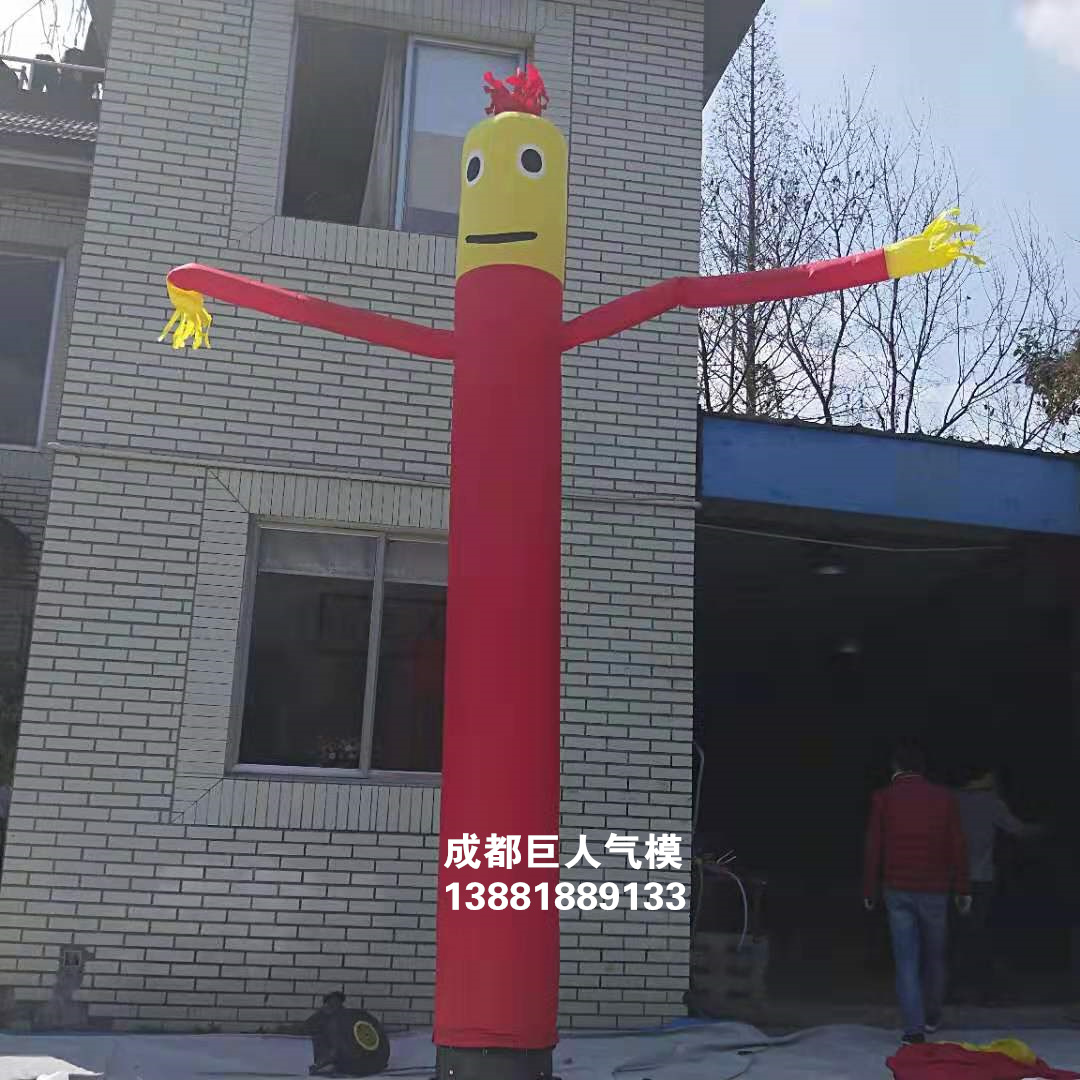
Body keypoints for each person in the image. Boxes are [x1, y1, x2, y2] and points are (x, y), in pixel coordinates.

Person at [864, 741, 971, 1046]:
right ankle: (932, 1016)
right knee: (935, 955)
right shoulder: (944, 798)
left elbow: (874, 846)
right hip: (935, 889)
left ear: (895, 767)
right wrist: (963, 887)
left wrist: (869, 888)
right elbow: (957, 844)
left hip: (897, 889)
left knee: (906, 961)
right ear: (923, 768)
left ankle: (914, 1030)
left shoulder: (883, 798)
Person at [952, 767, 1043, 1004]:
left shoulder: (953, 800)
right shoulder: (993, 803)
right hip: (981, 877)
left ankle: (956, 986)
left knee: (960, 931)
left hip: (954, 876)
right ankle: (983, 987)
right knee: (978, 931)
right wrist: (1046, 828)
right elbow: (1018, 830)